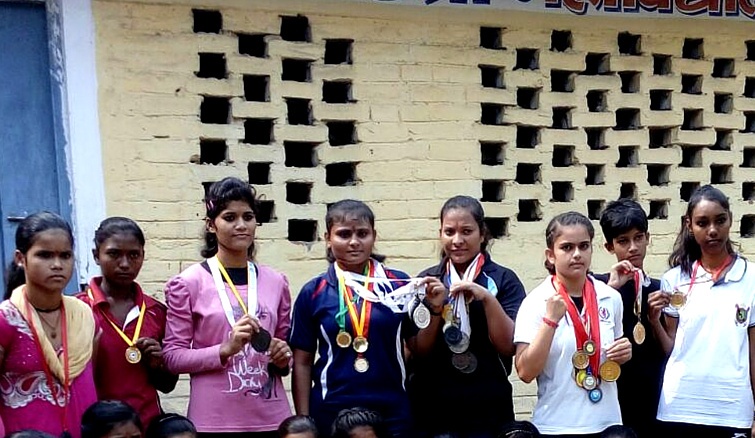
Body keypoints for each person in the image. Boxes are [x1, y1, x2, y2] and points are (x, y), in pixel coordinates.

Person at [163, 177, 293, 436]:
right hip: (215, 421)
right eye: (229, 217)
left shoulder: (276, 282)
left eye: (248, 216)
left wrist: (282, 356)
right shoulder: (189, 283)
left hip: (272, 420)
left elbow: (283, 359)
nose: (241, 225)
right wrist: (224, 349)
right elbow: (172, 357)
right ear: (212, 225)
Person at [289, 200, 415, 438]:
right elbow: (302, 361)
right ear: (328, 238)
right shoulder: (314, 292)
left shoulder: (399, 285)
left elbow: (415, 345)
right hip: (332, 407)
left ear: (374, 236)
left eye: (362, 234)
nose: (354, 242)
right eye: (344, 234)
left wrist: (435, 309)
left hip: (391, 408)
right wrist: (305, 419)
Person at [409, 195, 526, 438]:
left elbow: (508, 347)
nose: (457, 240)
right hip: (432, 403)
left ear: (482, 234)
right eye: (449, 231)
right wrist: (435, 308)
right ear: (440, 233)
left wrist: (487, 299)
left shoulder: (504, 280)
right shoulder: (427, 280)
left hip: (487, 403)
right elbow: (418, 350)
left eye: (467, 231)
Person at [514, 212, 632, 437]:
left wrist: (623, 353)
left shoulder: (610, 297)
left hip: (606, 423)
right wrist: (550, 321)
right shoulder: (536, 301)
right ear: (550, 255)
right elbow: (525, 372)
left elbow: (609, 356)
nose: (577, 254)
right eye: (567, 247)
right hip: (555, 425)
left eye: (584, 246)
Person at [656, 185, 755, 436]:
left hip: (732, 408)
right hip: (679, 405)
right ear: (689, 225)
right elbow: (671, 347)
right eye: (702, 223)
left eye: (720, 220)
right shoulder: (674, 280)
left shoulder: (751, 278)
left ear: (730, 219)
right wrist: (653, 320)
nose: (712, 230)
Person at [0, 212, 96, 438]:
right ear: (20, 259)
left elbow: (91, 383)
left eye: (65, 256)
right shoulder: (6, 320)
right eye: (44, 255)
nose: (57, 265)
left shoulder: (84, 315)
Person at [78, 217, 177, 427]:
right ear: (96, 255)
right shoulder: (77, 310)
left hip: (146, 426)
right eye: (114, 254)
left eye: (133, 255)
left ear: (143, 256)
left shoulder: (156, 312)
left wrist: (156, 364)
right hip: (97, 428)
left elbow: (168, 386)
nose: (124, 264)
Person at [592, 199, 665, 437]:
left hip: (653, 394)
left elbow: (671, 348)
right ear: (609, 246)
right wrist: (610, 290)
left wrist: (656, 320)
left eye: (638, 237)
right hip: (612, 394)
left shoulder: (660, 290)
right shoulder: (598, 287)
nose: (633, 247)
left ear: (648, 238)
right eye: (623, 241)